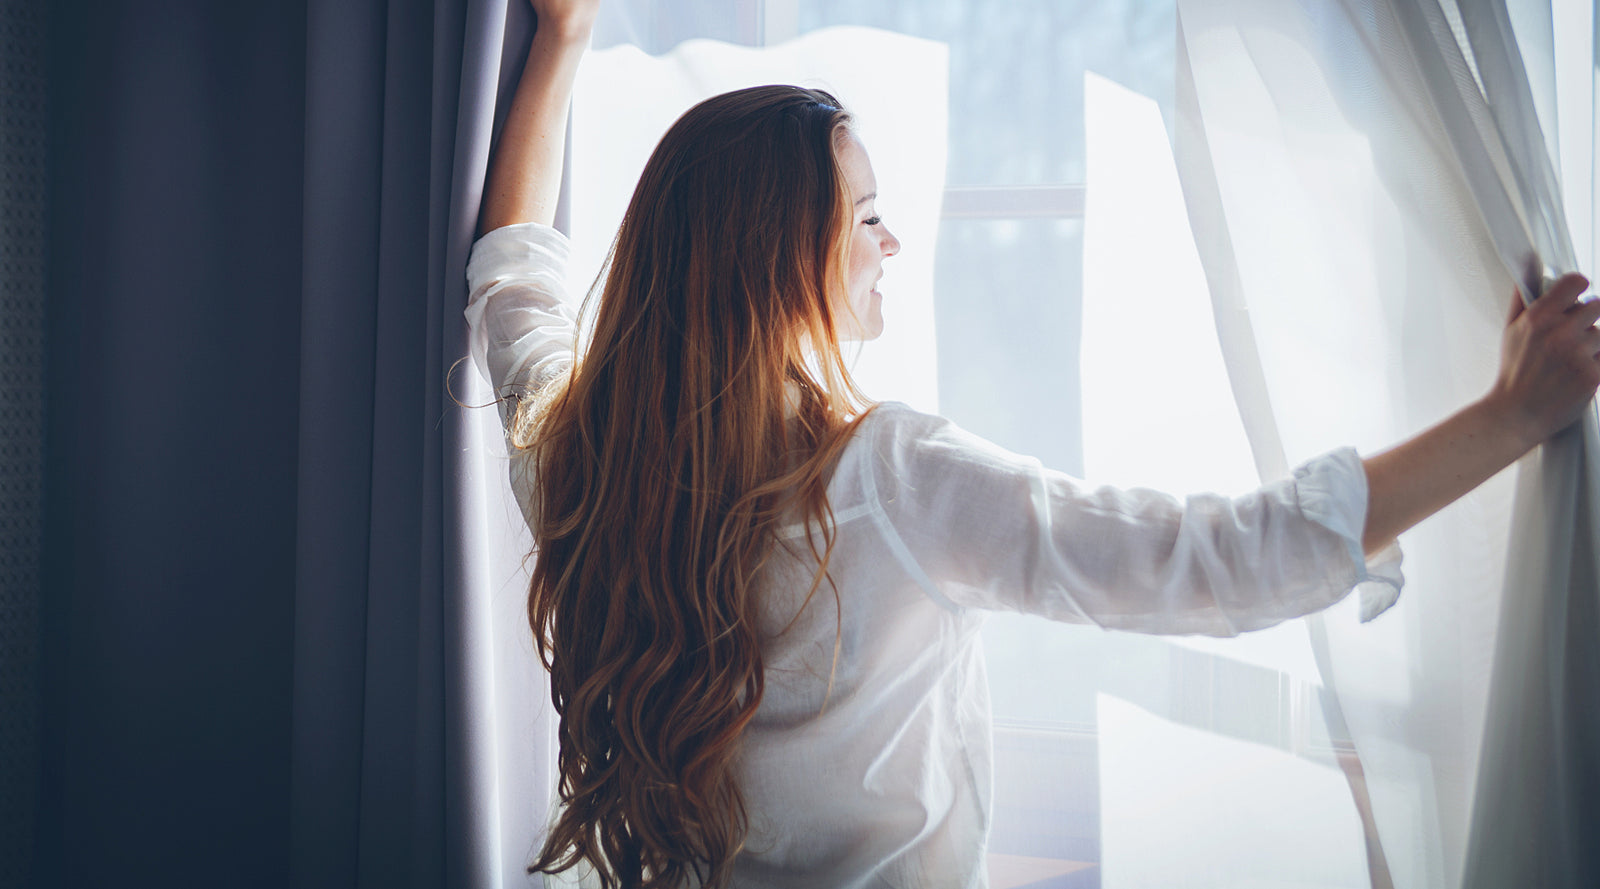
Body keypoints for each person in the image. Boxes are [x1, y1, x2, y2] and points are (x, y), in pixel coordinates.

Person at [465, 1, 1600, 886]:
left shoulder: (578, 460)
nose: (892, 240)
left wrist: (562, 36)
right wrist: (1509, 415)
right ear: (778, 262)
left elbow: (513, 278)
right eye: (864, 216)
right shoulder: (890, 482)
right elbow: (1212, 560)